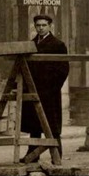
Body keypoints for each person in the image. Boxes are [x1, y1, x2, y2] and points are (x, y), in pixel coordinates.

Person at [20, 14, 69, 162]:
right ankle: (32, 155)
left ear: (50, 26)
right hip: (33, 89)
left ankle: (56, 155)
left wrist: (52, 88)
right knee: (34, 125)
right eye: (38, 26)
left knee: (51, 125)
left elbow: (63, 70)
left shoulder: (58, 45)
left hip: (49, 92)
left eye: (43, 25)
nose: (40, 28)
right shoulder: (31, 44)